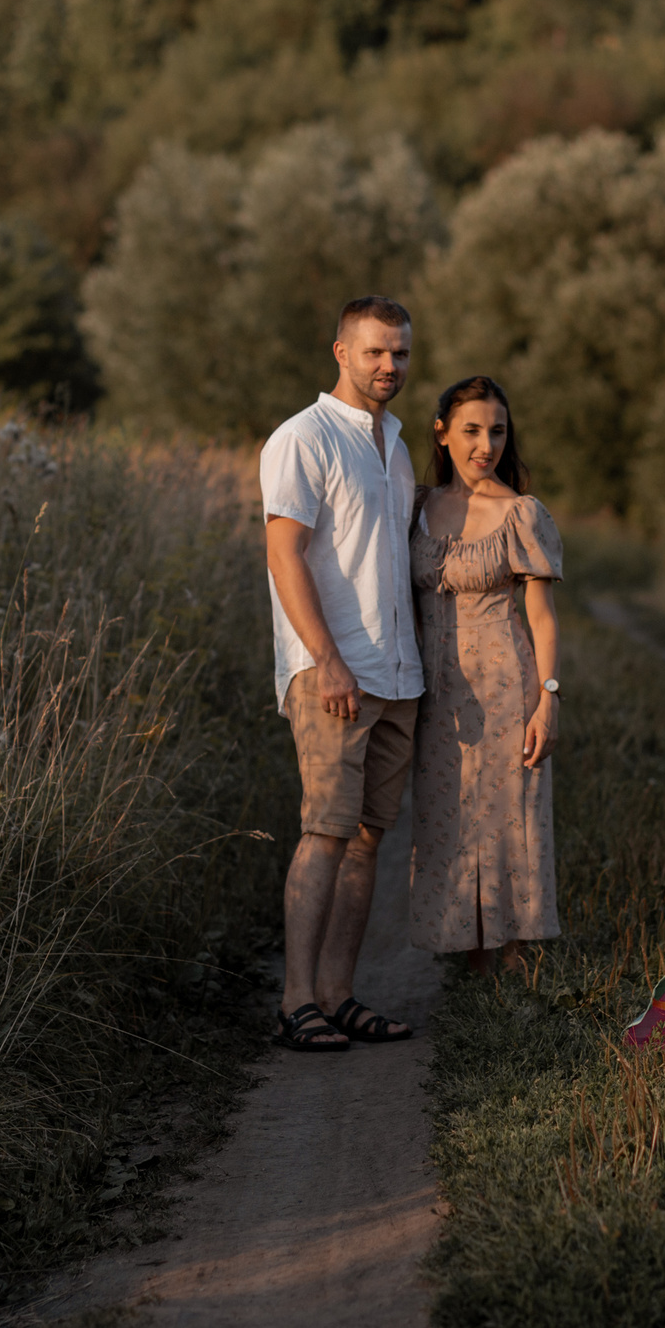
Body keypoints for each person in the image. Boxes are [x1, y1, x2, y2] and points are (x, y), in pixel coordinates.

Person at [259, 296, 425, 1052]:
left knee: (366, 841)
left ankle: (338, 994)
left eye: (399, 353)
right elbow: (284, 553)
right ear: (340, 352)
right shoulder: (303, 437)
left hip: (397, 676)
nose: (389, 366)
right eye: (374, 352)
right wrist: (325, 659)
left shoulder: (395, 440)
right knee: (323, 833)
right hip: (335, 673)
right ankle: (296, 1001)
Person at [408, 376, 564, 973]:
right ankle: (466, 952)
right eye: (471, 430)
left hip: (506, 683)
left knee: (509, 816)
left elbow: (543, 617)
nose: (486, 444)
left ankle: (513, 958)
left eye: (497, 431)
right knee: (446, 814)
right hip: (433, 692)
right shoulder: (416, 506)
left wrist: (548, 699)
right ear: (442, 432)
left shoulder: (522, 513)